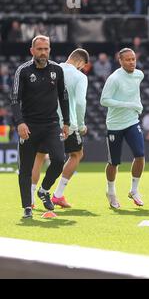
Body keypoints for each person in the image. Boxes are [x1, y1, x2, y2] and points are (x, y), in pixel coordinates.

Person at [10, 35, 70, 219]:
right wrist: (20, 123)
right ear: (32, 51)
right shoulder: (23, 71)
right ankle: (27, 207)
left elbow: (64, 97)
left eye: (46, 49)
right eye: (39, 49)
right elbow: (14, 100)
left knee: (59, 159)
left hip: (52, 124)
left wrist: (66, 122)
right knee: (26, 169)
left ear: (50, 49)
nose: (43, 52)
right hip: (29, 126)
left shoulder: (57, 70)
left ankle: (44, 190)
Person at [31, 48, 90, 208]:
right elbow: (80, 103)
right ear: (81, 62)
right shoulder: (80, 77)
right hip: (66, 123)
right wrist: (81, 124)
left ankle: (30, 199)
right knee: (77, 154)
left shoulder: (51, 69)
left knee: (39, 157)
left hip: (44, 121)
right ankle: (57, 195)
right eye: (83, 66)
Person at [100, 48, 145, 209]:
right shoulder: (114, 79)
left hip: (132, 122)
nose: (132, 62)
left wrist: (137, 105)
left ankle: (134, 190)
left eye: (133, 59)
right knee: (114, 162)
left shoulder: (139, 75)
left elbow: (134, 93)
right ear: (120, 61)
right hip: (115, 125)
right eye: (128, 60)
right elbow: (104, 100)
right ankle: (111, 192)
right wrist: (129, 105)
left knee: (140, 155)